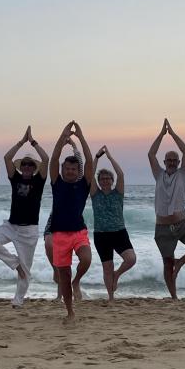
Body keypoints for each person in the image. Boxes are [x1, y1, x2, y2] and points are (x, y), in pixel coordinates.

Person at [0, 127, 50, 308]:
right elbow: (7, 158)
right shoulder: (15, 178)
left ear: (34, 168)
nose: (27, 167)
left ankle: (18, 301)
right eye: (24, 164)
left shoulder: (39, 180)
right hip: (11, 226)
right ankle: (15, 264)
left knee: (26, 271)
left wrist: (33, 142)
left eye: (30, 165)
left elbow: (46, 159)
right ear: (20, 167)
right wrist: (21, 142)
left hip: (29, 230)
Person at [149, 119, 185, 299]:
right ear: (165, 161)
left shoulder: (183, 174)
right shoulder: (158, 174)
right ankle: (174, 297)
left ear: (179, 162)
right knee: (167, 264)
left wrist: (172, 133)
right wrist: (162, 133)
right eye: (169, 160)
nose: (172, 162)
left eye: (175, 160)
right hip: (162, 228)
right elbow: (151, 154)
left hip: (181, 224)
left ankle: (181, 262)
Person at [47, 121, 95, 323]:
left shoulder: (83, 185)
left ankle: (78, 281)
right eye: (67, 169)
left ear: (78, 171)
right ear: (63, 169)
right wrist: (62, 136)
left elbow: (90, 162)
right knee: (63, 276)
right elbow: (53, 159)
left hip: (78, 232)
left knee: (86, 259)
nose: (70, 172)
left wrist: (81, 137)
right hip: (59, 235)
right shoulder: (56, 183)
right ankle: (70, 312)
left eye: (74, 169)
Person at [91, 145, 135, 302]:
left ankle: (117, 275)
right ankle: (111, 297)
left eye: (107, 178)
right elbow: (90, 173)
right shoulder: (95, 194)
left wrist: (109, 156)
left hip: (119, 232)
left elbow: (121, 174)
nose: (105, 180)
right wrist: (96, 157)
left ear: (112, 180)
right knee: (107, 267)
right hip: (101, 235)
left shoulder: (118, 193)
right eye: (102, 179)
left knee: (131, 259)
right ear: (99, 181)